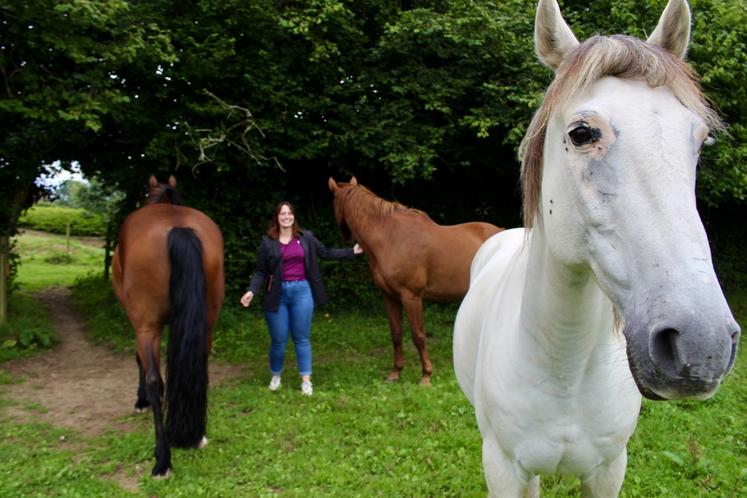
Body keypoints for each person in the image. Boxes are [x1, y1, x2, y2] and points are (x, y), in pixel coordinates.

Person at [240, 201, 363, 396]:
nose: (286, 217)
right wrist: (251, 291)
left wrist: (351, 252)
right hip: (277, 294)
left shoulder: (306, 238)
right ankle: (276, 376)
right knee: (278, 340)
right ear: (277, 218)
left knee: (301, 338)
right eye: (282, 214)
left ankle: (306, 381)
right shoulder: (268, 242)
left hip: (302, 292)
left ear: (294, 217)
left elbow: (326, 253)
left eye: (289, 213)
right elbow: (261, 271)